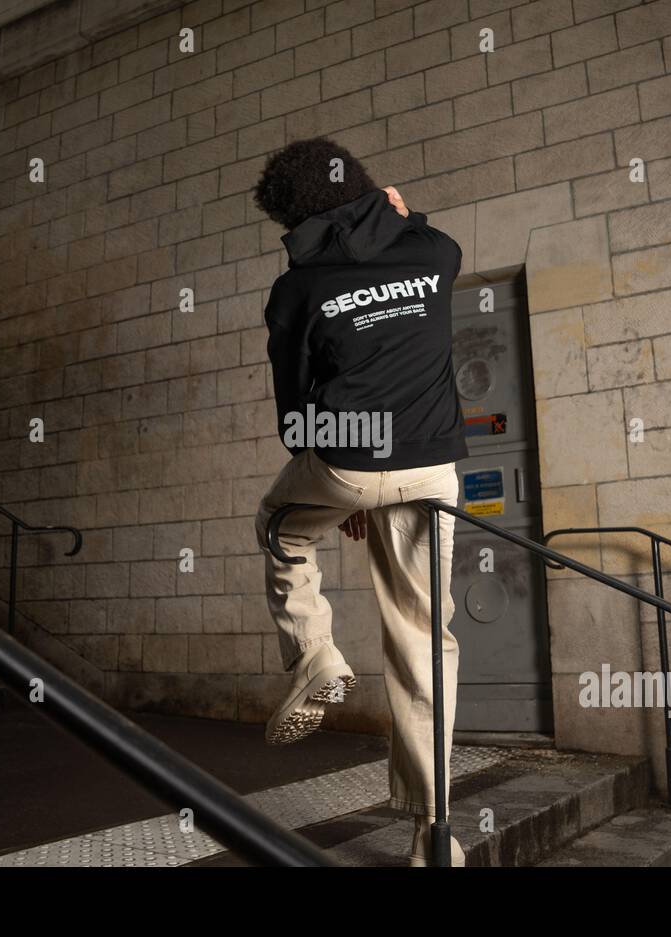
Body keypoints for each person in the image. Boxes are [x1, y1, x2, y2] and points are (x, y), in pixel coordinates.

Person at [251, 137, 469, 866]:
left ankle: (314, 654)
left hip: (346, 459)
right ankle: (434, 834)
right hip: (434, 469)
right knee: (423, 640)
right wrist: (400, 212)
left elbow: (294, 418)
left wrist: (345, 486)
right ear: (371, 188)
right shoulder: (436, 252)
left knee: (281, 526)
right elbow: (417, 227)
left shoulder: (295, 291)